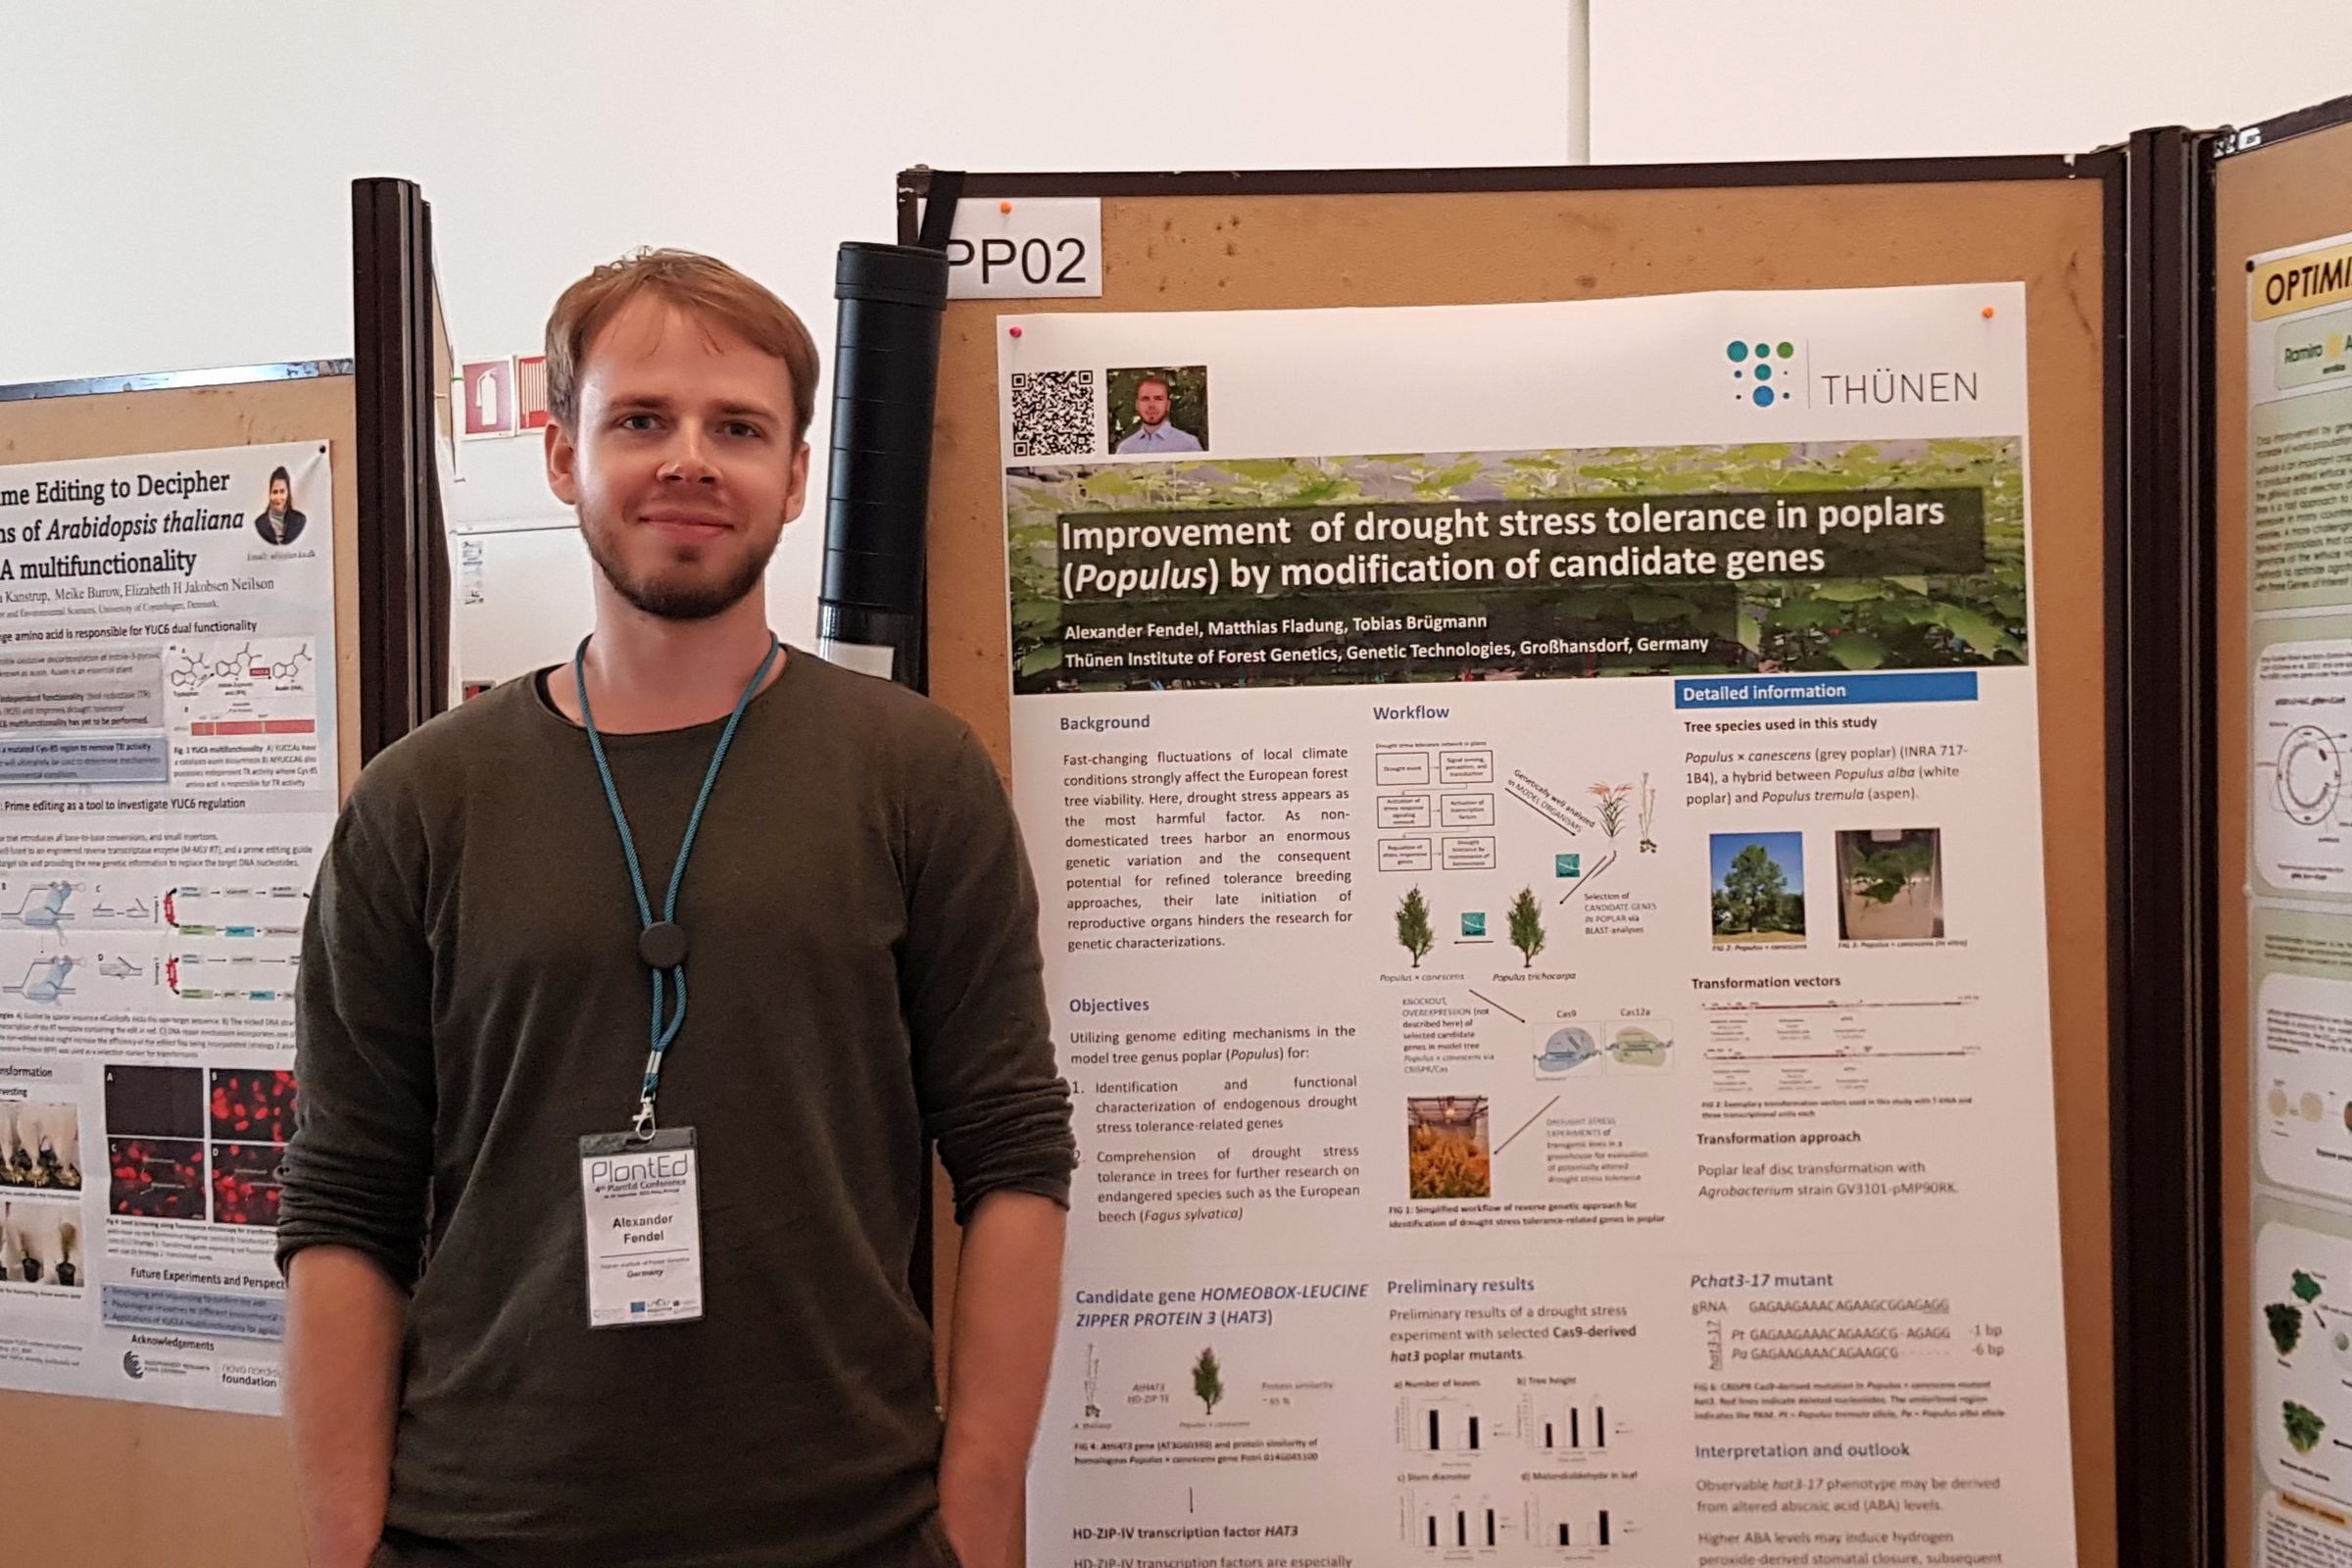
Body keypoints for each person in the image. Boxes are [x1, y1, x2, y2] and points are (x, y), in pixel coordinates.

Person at [277, 249, 1075, 1568]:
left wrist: (978, 1525)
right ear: (562, 456)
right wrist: (344, 1548)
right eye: (641, 419)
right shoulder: (420, 804)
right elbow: (344, 1201)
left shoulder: (914, 775)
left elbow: (1014, 1160)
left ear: (797, 476)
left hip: (850, 1532)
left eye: (738, 429)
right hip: (482, 1528)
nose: (690, 461)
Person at [1111, 372, 1202, 454]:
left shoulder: (1189, 445)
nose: (1151, 405)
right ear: (1137, 405)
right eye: (1145, 399)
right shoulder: (1125, 449)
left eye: (1158, 399)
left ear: (1168, 405)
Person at [254, 466, 308, 545]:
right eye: (275, 492)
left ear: (288, 493)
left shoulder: (299, 520)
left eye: (282, 491)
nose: (278, 497)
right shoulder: (260, 523)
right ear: (269, 494)